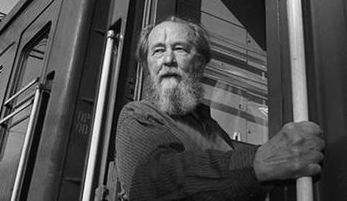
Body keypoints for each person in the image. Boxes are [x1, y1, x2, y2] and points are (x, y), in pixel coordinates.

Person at [115, 16, 325, 200]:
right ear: (148, 66)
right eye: (158, 51)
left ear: (199, 64)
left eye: (179, 49)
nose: (168, 60)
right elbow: (149, 184)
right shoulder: (139, 116)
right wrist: (257, 164)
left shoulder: (215, 131)